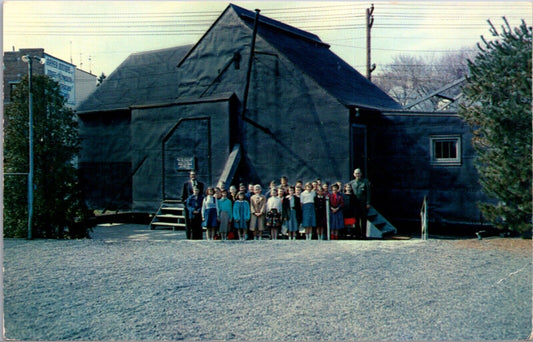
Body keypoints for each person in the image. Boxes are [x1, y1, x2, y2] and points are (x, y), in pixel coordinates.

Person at [349, 168, 371, 239]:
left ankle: (363, 235)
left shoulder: (365, 182)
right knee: (356, 219)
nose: (357, 175)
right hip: (355, 204)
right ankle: (357, 234)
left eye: (358, 173)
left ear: (361, 174)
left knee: (363, 219)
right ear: (354, 174)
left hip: (363, 203)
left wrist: (368, 203)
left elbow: (368, 193)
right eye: (356, 173)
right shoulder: (351, 183)